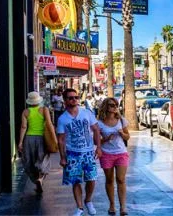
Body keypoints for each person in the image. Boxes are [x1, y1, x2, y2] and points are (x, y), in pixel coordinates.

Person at [57, 88, 102, 216]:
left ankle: (88, 200)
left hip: (88, 152)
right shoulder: (62, 119)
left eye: (76, 97)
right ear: (65, 100)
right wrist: (62, 157)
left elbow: (96, 129)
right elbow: (60, 140)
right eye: (71, 98)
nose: (74, 100)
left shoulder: (86, 113)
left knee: (91, 179)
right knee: (76, 181)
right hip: (73, 153)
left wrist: (98, 147)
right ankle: (80, 207)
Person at [98, 97, 131, 216]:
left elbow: (128, 137)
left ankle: (123, 207)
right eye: (112, 105)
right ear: (106, 106)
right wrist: (106, 139)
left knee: (121, 179)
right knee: (110, 180)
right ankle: (112, 204)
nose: (114, 107)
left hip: (121, 153)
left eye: (116, 105)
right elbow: (95, 141)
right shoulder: (99, 123)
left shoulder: (121, 120)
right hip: (106, 154)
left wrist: (123, 134)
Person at [18, 91, 53, 194]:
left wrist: (20, 142)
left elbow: (24, 127)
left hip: (29, 138)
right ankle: (40, 179)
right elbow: (49, 124)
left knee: (30, 160)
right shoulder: (44, 110)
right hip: (42, 138)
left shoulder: (26, 112)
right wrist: (53, 137)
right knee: (43, 159)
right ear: (39, 101)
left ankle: (37, 180)